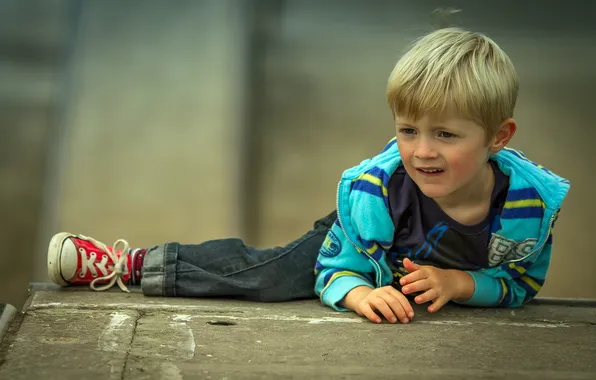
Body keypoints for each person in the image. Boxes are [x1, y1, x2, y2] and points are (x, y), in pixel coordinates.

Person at [47, 27, 570, 325]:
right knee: (268, 273)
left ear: (499, 137)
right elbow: (333, 270)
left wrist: (460, 283)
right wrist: (358, 292)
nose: (421, 151)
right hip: (358, 244)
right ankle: (128, 265)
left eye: (447, 136)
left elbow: (520, 283)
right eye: (408, 130)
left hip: (420, 281)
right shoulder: (376, 192)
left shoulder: (527, 209)